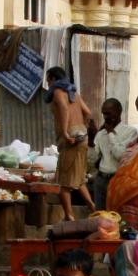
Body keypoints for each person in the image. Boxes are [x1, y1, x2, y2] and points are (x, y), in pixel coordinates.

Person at [46, 65, 94, 221]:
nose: (48, 84)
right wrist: (83, 128)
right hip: (82, 135)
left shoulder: (58, 92)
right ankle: (93, 207)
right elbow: (87, 112)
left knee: (63, 181)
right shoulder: (74, 93)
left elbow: (64, 109)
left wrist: (66, 132)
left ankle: (69, 216)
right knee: (79, 178)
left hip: (70, 137)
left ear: (53, 79)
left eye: (48, 80)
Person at [88, 98, 137, 210]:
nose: (105, 117)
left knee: (116, 217)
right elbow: (91, 162)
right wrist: (91, 142)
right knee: (100, 217)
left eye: (108, 113)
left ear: (118, 112)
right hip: (101, 180)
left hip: (118, 180)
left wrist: (110, 134)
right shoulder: (101, 134)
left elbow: (120, 155)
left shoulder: (130, 132)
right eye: (103, 114)